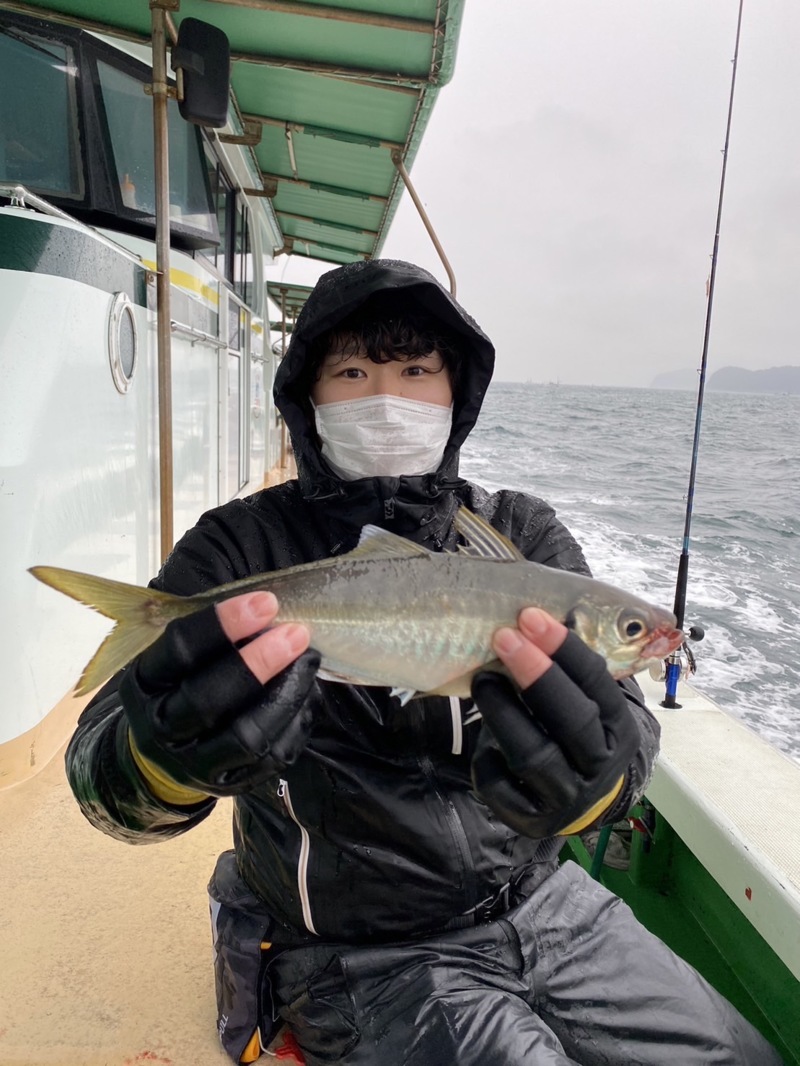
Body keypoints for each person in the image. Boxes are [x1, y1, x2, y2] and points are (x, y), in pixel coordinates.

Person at [65, 259, 783, 1066]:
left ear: (456, 397)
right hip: (350, 953)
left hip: (548, 904)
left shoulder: (521, 532)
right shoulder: (240, 548)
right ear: (308, 397)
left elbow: (628, 737)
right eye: (351, 371)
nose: (387, 396)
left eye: (415, 371)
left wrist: (597, 783)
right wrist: (159, 763)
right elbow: (101, 776)